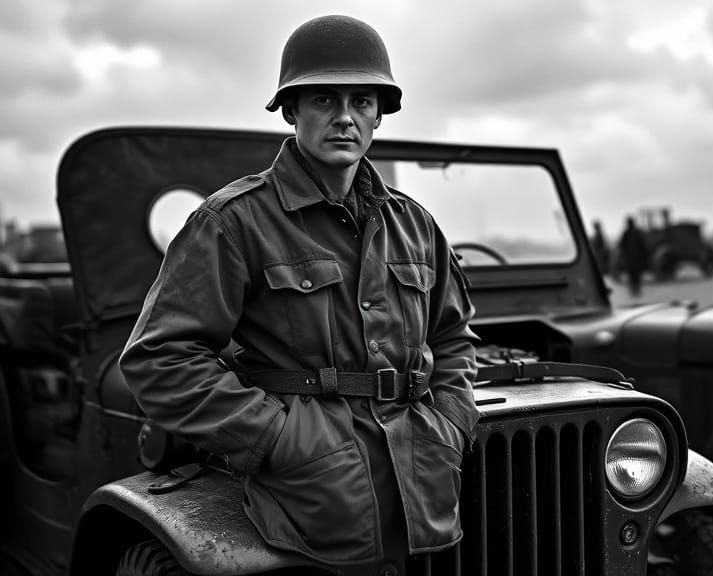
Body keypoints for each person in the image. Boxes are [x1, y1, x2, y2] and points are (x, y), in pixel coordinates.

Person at [119, 15, 479, 575]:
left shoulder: (415, 226)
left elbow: (453, 336)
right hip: (310, 502)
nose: (344, 117)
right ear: (291, 111)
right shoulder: (233, 222)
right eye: (323, 100)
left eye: (362, 101)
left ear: (379, 114)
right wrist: (278, 438)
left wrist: (451, 422)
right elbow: (159, 359)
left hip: (422, 494)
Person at [617, 216, 648, 297]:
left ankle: (636, 292)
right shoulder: (627, 233)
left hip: (635, 258)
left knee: (636, 276)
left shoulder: (636, 233)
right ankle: (634, 292)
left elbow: (642, 246)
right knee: (632, 276)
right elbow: (622, 245)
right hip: (631, 259)